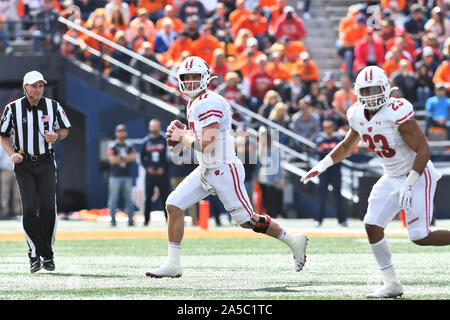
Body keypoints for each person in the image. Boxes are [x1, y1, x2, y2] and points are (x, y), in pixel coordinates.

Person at [145, 56, 308, 278]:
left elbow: (208, 144)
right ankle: (173, 264)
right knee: (173, 205)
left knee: (247, 221)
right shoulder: (195, 101)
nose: (191, 82)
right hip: (206, 169)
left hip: (224, 170)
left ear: (205, 78)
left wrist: (183, 136)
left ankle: (292, 240)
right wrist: (184, 136)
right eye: (187, 78)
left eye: (195, 77)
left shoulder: (208, 102)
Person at [301, 66, 450, 298]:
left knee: (419, 236)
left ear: (386, 89)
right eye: (365, 90)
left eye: (374, 89)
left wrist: (409, 183)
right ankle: (391, 284)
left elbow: (423, 150)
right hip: (391, 175)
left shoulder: (396, 111)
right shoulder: (356, 114)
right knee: (372, 225)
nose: (370, 95)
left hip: (417, 174)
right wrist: (322, 165)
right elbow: (348, 145)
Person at [0, 71, 71, 273]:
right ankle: (34, 253)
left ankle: (47, 254)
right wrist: (11, 154)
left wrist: (56, 136)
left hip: (46, 162)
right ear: (25, 88)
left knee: (49, 208)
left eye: (41, 85)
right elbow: (3, 136)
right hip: (23, 163)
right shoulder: (13, 108)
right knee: (30, 209)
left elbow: (65, 129)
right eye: (34, 86)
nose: (38, 89)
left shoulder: (53, 106)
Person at [313, 120, 346, 227]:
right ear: (323, 128)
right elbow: (319, 153)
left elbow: (341, 153)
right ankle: (318, 219)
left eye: (330, 127)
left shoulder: (338, 139)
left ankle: (342, 220)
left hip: (336, 171)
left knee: (338, 196)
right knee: (321, 196)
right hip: (324, 172)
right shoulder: (319, 140)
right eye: (326, 127)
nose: (328, 129)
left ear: (333, 128)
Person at [140, 119, 171, 225]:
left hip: (162, 174)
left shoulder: (165, 140)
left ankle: (168, 219)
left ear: (159, 127)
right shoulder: (146, 141)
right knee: (148, 197)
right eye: (152, 126)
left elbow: (171, 157)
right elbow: (142, 157)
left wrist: (164, 168)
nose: (154, 129)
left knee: (165, 197)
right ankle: (146, 220)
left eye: (156, 126)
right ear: (149, 128)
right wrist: (147, 167)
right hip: (150, 174)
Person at [107, 124, 137, 227]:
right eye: (119, 131)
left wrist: (120, 158)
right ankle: (112, 220)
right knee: (113, 199)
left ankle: (130, 220)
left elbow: (133, 157)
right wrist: (124, 158)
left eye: (123, 131)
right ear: (116, 133)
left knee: (129, 199)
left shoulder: (130, 146)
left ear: (126, 133)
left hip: (127, 176)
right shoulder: (112, 146)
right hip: (115, 176)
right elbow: (112, 160)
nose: (121, 133)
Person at [0, 148, 21, 218]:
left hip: (18, 170)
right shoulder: (2, 143)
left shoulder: (18, 142)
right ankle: (4, 214)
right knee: (4, 193)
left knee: (18, 194)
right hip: (5, 171)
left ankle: (18, 213)